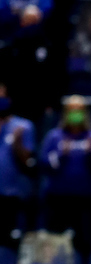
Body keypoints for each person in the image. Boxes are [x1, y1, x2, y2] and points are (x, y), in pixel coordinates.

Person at [39, 95, 91, 260]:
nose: (75, 114)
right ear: (65, 113)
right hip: (58, 200)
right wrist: (61, 155)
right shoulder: (55, 137)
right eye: (71, 110)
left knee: (85, 243)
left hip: (86, 201)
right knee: (55, 243)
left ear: (85, 113)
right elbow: (45, 164)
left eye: (79, 110)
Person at [0, 91, 35, 247]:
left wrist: (17, 143)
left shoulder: (22, 127)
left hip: (12, 194)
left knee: (11, 241)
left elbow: (27, 163)